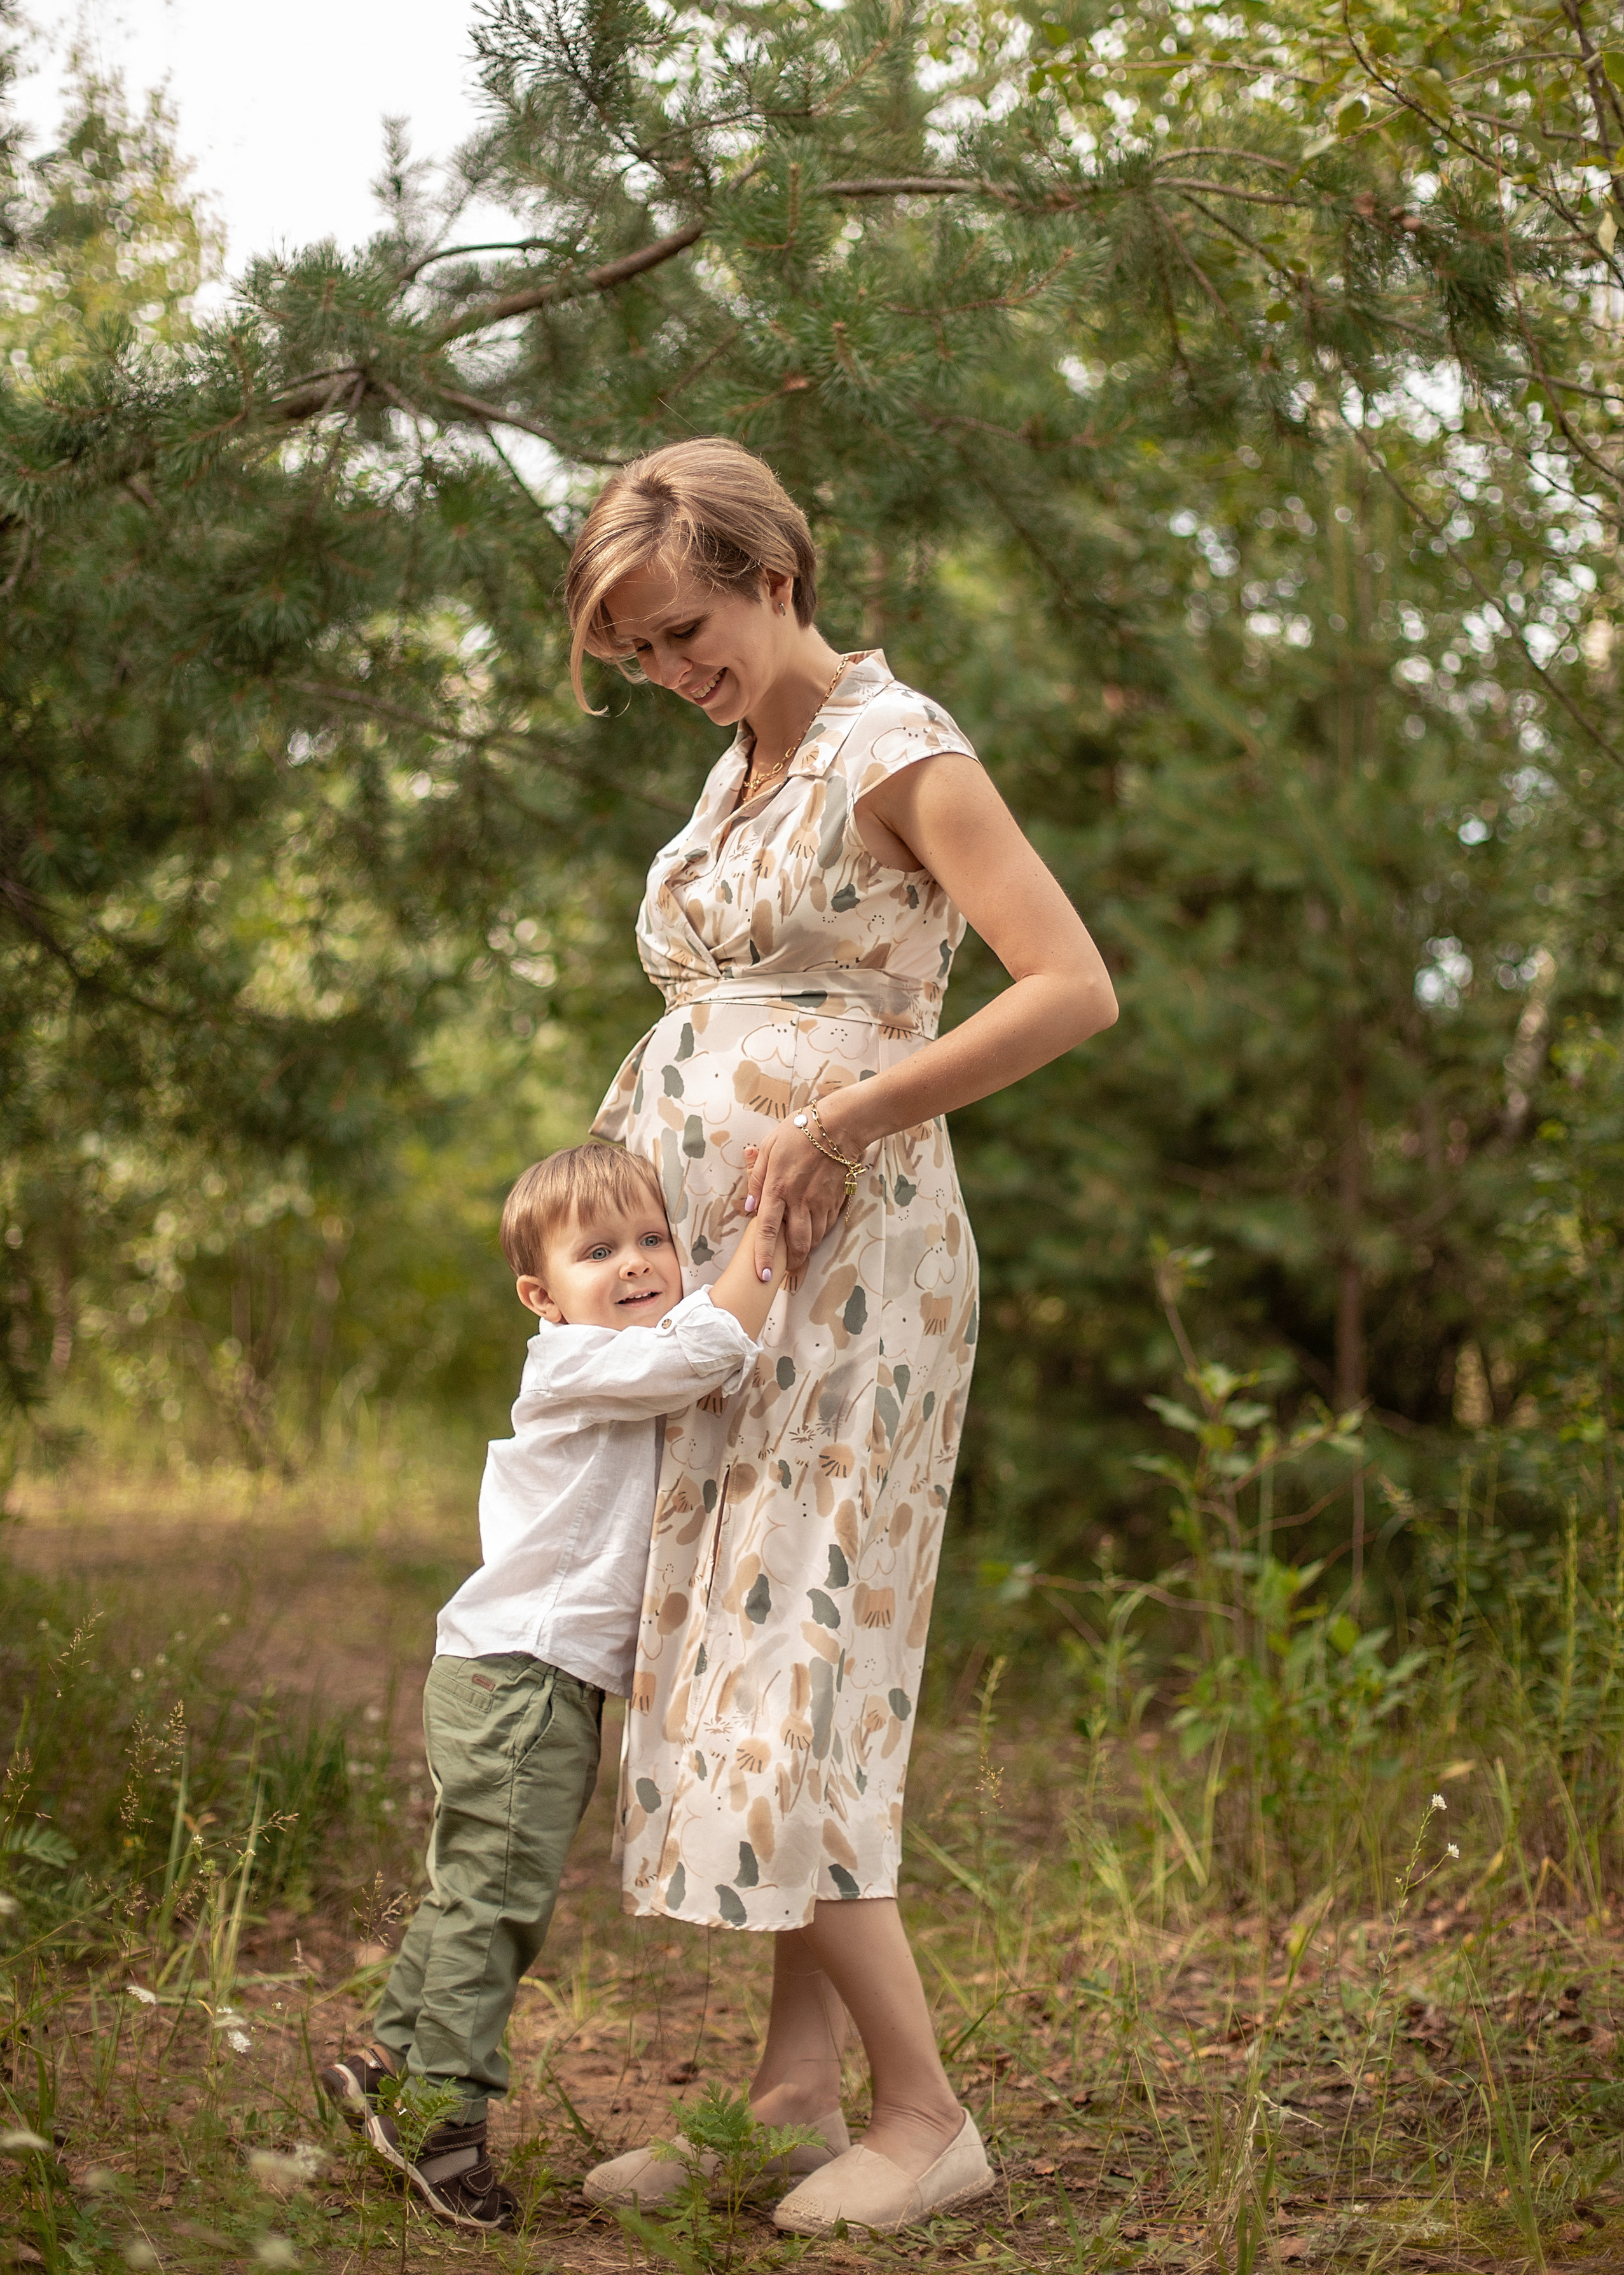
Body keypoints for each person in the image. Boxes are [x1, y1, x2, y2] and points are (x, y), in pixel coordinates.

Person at [568, 438, 1119, 2236]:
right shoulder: (739, 773)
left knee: (791, 1663)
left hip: (856, 1266)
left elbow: (1071, 985)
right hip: (731, 1281)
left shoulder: (902, 752)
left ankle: (926, 2110)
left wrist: (837, 1125)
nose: (671, 670)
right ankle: (795, 2099)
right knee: (738, 1645)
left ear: (775, 573)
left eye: (685, 628)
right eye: (643, 654)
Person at [320, 1141, 794, 2232]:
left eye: (653, 1241)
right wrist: (764, 1238)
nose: (635, 1264)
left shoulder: (617, 1346)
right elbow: (705, 1353)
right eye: (598, 1252)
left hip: (512, 1677)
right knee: (498, 1902)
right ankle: (445, 2128)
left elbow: (681, 1342)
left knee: (467, 1886)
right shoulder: (572, 1366)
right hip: (522, 1680)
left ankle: (391, 2065)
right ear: (542, 1295)